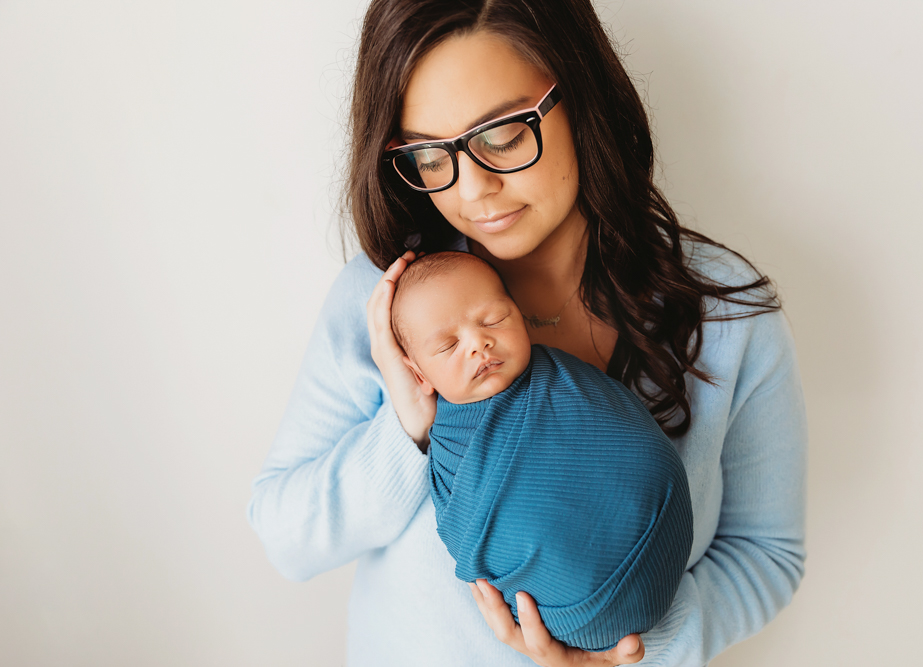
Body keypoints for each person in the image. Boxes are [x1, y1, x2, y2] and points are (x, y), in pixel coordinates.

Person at [247, 0, 808, 665]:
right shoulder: (389, 306)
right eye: (430, 154)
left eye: (504, 134)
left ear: (582, 98)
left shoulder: (725, 315)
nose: (475, 188)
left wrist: (638, 649)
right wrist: (408, 429)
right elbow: (285, 539)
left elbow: (768, 553)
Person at [390, 250, 693, 652]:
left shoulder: (561, 377)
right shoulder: (447, 447)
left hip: (665, 532)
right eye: (448, 345)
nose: (478, 343)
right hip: (571, 611)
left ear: (520, 312)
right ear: (417, 373)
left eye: (494, 320)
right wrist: (412, 426)